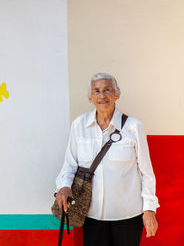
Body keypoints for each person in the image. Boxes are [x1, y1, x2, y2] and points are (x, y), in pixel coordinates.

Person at [55, 73, 159, 246]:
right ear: (90, 98)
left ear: (116, 95)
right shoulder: (79, 125)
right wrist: (64, 186)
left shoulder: (134, 127)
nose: (102, 95)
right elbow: (69, 164)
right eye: (96, 91)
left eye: (107, 90)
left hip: (128, 215)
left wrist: (149, 210)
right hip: (92, 215)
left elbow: (146, 172)